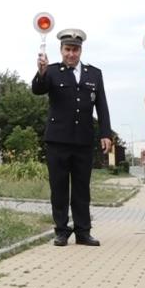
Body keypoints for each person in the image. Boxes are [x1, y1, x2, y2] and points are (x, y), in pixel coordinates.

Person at [32, 29, 113, 247]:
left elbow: (102, 105)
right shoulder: (51, 71)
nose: (71, 54)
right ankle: (61, 231)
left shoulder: (94, 74)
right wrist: (40, 72)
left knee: (81, 189)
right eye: (67, 49)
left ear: (80, 50)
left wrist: (106, 133)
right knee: (59, 188)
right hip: (57, 141)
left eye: (75, 50)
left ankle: (83, 232)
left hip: (83, 141)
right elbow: (37, 90)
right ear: (61, 50)